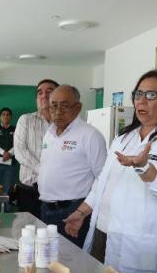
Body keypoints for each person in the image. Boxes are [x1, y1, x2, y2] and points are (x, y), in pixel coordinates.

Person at [64, 71, 157, 273]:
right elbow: (103, 182)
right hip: (103, 233)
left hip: (141, 243)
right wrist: (83, 211)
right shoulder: (125, 137)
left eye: (151, 95)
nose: (141, 101)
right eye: (138, 94)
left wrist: (144, 167)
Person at [38, 84, 106, 247]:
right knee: (47, 261)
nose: (58, 110)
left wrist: (81, 212)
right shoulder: (49, 133)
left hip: (72, 212)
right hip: (45, 209)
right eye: (54, 105)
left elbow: (103, 178)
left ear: (78, 107)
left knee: (71, 265)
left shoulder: (90, 135)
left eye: (65, 105)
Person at [13, 79, 57, 217]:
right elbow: (20, 152)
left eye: (49, 91)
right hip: (30, 189)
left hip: (57, 190)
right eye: (40, 93)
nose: (44, 95)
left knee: (54, 233)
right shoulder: (25, 120)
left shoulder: (64, 124)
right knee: (28, 232)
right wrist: (42, 170)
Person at [0, 107, 18, 202]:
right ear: (0, 117)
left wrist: (9, 153)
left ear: (10, 117)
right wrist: (3, 153)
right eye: (3, 114)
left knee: (9, 188)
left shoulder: (16, 130)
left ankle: (7, 210)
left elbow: (19, 144)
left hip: (10, 165)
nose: (5, 116)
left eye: (8, 114)